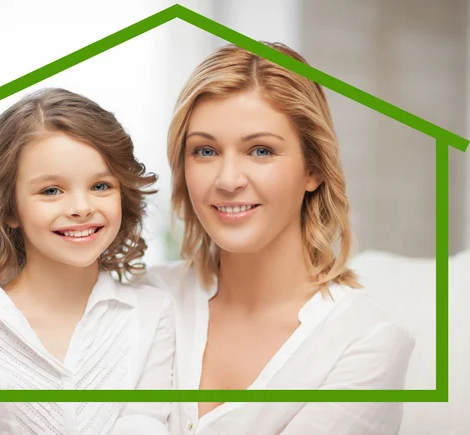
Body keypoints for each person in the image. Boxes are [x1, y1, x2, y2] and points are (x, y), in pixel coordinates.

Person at [144, 42, 414, 435]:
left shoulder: (365, 342)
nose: (228, 180)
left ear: (313, 169)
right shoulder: (145, 298)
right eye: (205, 150)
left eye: (260, 150)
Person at [0, 88, 174, 435]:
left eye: (101, 185)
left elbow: (144, 423)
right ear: (10, 209)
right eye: (51, 191)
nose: (81, 207)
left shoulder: (152, 314)